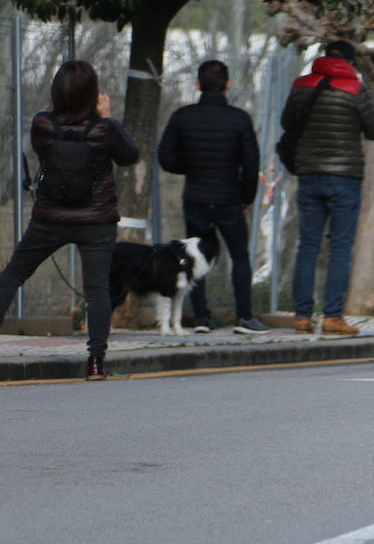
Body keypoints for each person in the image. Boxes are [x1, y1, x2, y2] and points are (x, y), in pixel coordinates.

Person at [0, 61, 139, 380]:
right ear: (93, 94)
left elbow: (40, 152)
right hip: (97, 220)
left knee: (14, 273)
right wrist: (106, 118)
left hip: (50, 216)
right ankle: (95, 362)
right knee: (97, 289)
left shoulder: (43, 124)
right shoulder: (106, 129)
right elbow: (129, 156)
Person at [282, 40, 374, 335]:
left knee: (308, 245)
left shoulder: (301, 85)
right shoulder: (355, 88)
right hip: (345, 177)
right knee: (340, 246)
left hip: (309, 174)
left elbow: (287, 121)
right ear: (351, 62)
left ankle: (302, 317)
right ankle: (332, 317)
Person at [158, 59, 267, 335]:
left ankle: (202, 318)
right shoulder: (239, 119)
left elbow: (166, 159)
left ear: (198, 85)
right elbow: (252, 163)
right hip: (229, 197)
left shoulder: (182, 117)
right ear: (228, 85)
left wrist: (191, 167)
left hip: (195, 196)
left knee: (195, 256)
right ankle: (244, 317)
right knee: (239, 256)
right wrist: (247, 196)